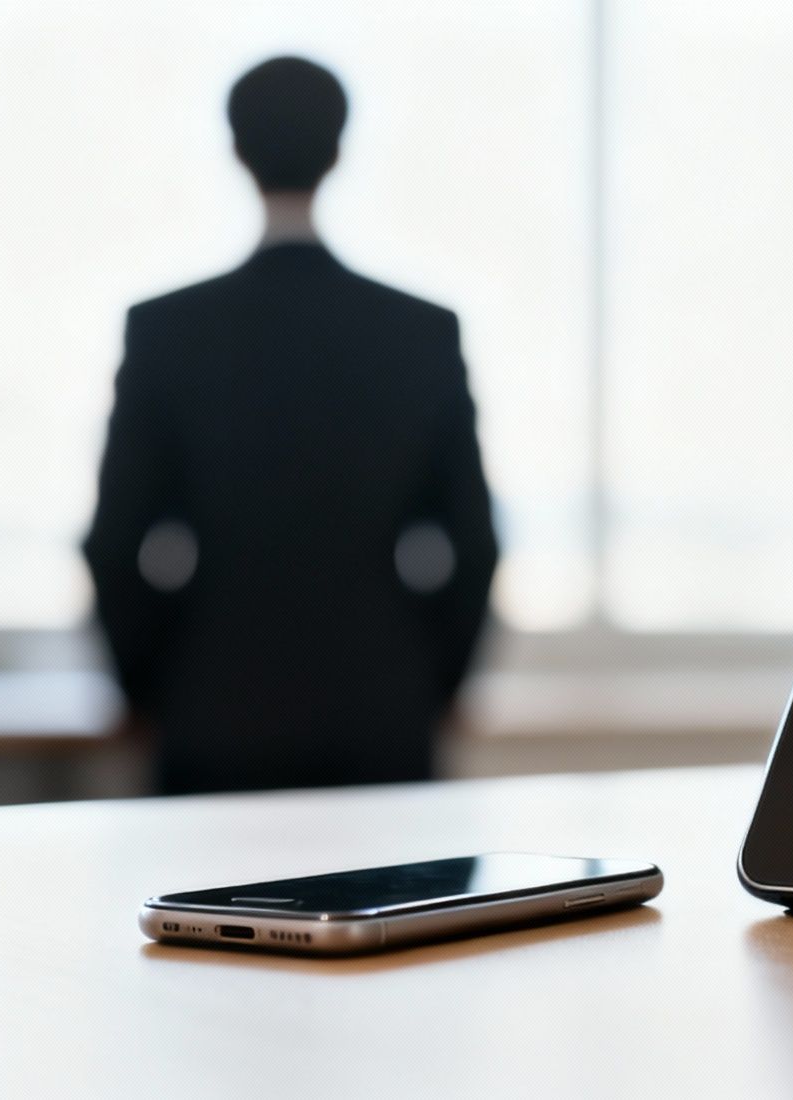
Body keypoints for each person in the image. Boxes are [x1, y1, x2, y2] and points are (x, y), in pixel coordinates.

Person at [84, 57, 498, 794]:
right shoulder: (422, 333)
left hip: (212, 715)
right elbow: (473, 541)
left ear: (236, 150)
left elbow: (117, 543)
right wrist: (430, 687)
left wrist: (149, 691)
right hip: (382, 720)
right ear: (339, 150)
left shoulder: (166, 332)